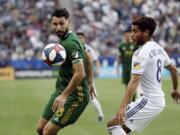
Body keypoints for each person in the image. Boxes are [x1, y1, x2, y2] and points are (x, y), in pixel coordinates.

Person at [107, 16, 180, 135]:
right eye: (131, 31)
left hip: (149, 100)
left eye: (135, 31)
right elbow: (173, 69)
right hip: (158, 100)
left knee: (113, 124)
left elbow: (134, 81)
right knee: (124, 129)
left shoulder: (141, 53)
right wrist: (175, 89)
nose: (132, 35)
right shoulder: (158, 48)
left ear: (146, 32)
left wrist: (122, 107)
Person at [36, 8, 95, 135]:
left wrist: (64, 96)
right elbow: (88, 57)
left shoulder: (71, 43)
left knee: (47, 131)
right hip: (61, 90)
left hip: (76, 97)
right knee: (40, 128)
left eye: (61, 23)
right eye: (55, 24)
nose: (58, 27)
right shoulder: (66, 38)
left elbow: (80, 73)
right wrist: (91, 82)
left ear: (69, 22)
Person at [77, 31, 104, 122]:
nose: (80, 39)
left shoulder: (89, 49)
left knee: (92, 97)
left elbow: (96, 60)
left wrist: (98, 70)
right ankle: (72, 117)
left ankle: (100, 114)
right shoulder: (74, 48)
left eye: (81, 37)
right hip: (76, 77)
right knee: (75, 98)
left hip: (87, 77)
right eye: (78, 37)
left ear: (84, 39)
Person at [117, 30, 138, 101]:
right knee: (126, 84)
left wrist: (137, 69)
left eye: (129, 35)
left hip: (133, 68)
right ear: (124, 36)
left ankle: (133, 99)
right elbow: (119, 57)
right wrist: (117, 67)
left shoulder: (135, 45)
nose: (127, 37)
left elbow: (138, 57)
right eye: (126, 35)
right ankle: (128, 99)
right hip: (125, 68)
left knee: (133, 83)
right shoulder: (121, 46)